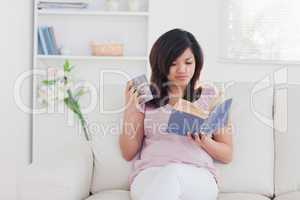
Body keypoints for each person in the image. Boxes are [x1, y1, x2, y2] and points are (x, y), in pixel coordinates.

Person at [119, 28, 233, 200]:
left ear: (197, 63)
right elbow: (128, 152)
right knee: (169, 175)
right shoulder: (146, 96)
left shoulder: (210, 95)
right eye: (173, 63)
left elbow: (227, 154)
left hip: (197, 176)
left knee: (174, 172)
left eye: (188, 62)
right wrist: (129, 109)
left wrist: (204, 141)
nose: (182, 69)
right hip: (150, 174)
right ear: (161, 64)